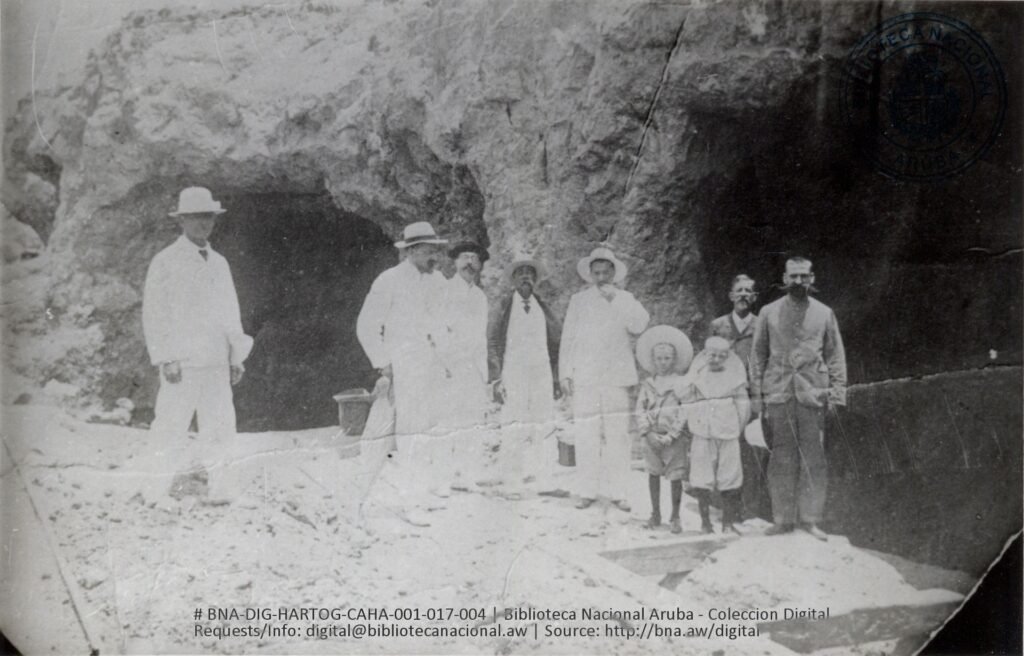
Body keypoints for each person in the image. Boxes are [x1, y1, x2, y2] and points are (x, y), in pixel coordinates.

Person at [142, 187, 253, 505]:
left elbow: (230, 311)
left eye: (208, 218)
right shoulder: (165, 261)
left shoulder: (219, 263)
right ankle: (154, 493)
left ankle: (221, 490)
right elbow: (155, 312)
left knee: (220, 427)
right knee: (171, 427)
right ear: (182, 221)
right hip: (183, 361)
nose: (204, 224)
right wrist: (166, 358)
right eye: (196, 218)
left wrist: (236, 355)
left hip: (216, 360)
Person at [356, 222, 453, 522]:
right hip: (402, 366)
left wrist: (448, 362)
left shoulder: (438, 281)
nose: (433, 255)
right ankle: (399, 501)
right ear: (410, 251)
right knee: (397, 432)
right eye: (427, 250)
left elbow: (443, 324)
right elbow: (366, 325)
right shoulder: (389, 280)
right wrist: (383, 364)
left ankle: (421, 493)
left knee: (427, 431)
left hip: (432, 366)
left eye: (435, 249)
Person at [749, 256, 847, 540]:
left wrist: (837, 395)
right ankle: (782, 519)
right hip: (778, 393)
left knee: (813, 458)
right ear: (784, 277)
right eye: (793, 276)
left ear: (812, 278)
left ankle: (810, 519)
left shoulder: (824, 313)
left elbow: (836, 356)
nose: (798, 281)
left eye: (804, 276)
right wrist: (757, 395)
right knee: (781, 457)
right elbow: (757, 356)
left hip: (813, 394)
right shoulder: (768, 312)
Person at [559, 247, 650, 511]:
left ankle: (619, 491)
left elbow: (639, 325)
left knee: (617, 435)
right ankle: (587, 490)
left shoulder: (626, 298)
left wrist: (618, 301)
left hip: (616, 378)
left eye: (605, 272)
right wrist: (565, 372)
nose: (601, 277)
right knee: (586, 433)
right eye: (596, 273)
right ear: (590, 274)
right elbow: (568, 338)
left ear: (614, 273)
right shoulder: (579, 300)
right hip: (585, 376)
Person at [488, 257, 561, 486]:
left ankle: (544, 477)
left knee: (544, 422)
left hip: (541, 372)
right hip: (513, 371)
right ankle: (512, 477)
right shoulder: (503, 306)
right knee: (513, 421)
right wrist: (496, 378)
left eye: (530, 273)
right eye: (520, 273)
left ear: (536, 280)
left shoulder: (543, 307)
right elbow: (491, 342)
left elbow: (556, 343)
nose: (525, 277)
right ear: (513, 279)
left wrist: (556, 378)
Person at [710, 274, 771, 521]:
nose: (743, 295)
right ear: (731, 296)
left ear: (754, 298)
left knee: (752, 450)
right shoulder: (719, 325)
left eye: (749, 291)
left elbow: (766, 361)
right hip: (725, 397)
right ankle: (725, 506)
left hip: (752, 395)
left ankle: (750, 509)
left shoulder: (762, 325)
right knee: (724, 449)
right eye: (739, 291)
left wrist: (761, 398)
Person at [685, 337, 750, 534]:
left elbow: (743, 406)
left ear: (728, 357)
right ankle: (705, 523)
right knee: (701, 475)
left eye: (722, 356)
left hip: (727, 431)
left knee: (729, 475)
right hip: (702, 431)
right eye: (712, 354)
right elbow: (686, 400)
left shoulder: (734, 378)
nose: (716, 359)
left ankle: (727, 522)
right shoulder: (697, 377)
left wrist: (735, 428)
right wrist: (694, 423)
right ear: (705, 354)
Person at [634, 325, 693, 534]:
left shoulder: (681, 383)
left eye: (667, 358)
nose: (663, 363)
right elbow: (640, 409)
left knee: (675, 476)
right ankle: (655, 513)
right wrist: (647, 432)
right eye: (659, 359)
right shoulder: (649, 383)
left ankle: (675, 516)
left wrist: (672, 435)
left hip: (673, 438)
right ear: (653, 360)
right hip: (651, 437)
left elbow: (685, 411)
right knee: (653, 473)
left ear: (674, 359)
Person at [441, 241, 490, 431]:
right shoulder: (444, 291)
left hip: (475, 371)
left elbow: (481, 337)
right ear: (455, 262)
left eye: (474, 258)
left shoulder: (480, 297)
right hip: (451, 369)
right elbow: (438, 331)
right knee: (451, 425)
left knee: (474, 425)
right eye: (464, 258)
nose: (469, 263)